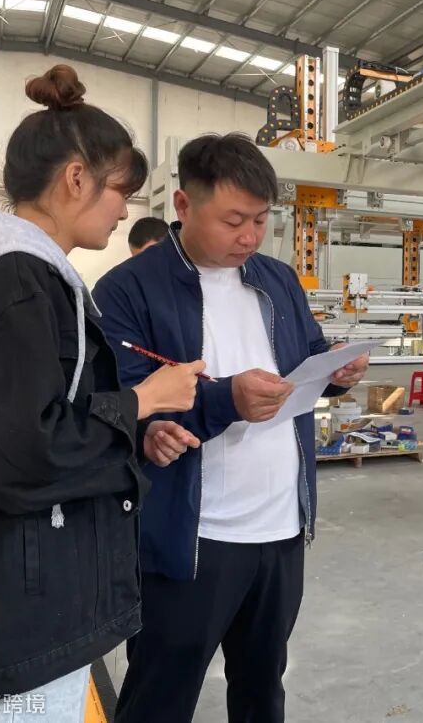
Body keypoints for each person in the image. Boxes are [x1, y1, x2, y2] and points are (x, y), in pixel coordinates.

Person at [0, 65, 203, 722]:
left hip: (24, 610)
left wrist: (131, 432)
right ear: (75, 178)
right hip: (9, 627)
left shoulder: (30, 279)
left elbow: (34, 422)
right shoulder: (14, 285)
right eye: (120, 191)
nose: (124, 210)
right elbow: (24, 457)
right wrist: (142, 401)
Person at [93, 132, 369, 723]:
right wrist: (224, 402)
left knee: (262, 689)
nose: (249, 236)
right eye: (233, 221)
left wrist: (335, 372)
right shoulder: (129, 289)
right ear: (184, 205)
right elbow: (119, 405)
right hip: (190, 537)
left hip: (280, 529)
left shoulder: (277, 279)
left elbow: (305, 358)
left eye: (261, 220)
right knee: (160, 697)